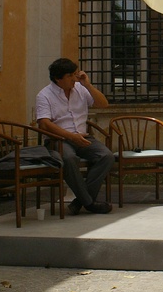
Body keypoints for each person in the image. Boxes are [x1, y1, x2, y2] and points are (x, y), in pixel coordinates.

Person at [36, 58, 113, 215]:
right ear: (58, 78)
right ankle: (90, 203)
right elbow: (44, 123)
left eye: (75, 74)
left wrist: (88, 85)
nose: (75, 78)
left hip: (83, 137)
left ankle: (80, 201)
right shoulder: (44, 95)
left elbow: (103, 104)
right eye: (70, 75)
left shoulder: (80, 88)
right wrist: (70, 137)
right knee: (69, 158)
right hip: (58, 139)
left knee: (106, 156)